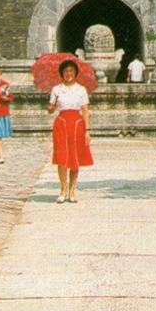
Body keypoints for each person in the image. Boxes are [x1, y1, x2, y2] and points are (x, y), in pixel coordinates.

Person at [47, 59, 93, 203]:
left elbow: (85, 111)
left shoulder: (81, 89)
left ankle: (72, 190)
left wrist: (87, 130)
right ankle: (63, 189)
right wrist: (51, 108)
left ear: (75, 73)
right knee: (61, 157)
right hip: (61, 123)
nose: (68, 74)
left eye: (71, 71)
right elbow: (50, 109)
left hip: (77, 124)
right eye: (66, 71)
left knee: (74, 157)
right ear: (62, 73)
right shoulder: (56, 89)